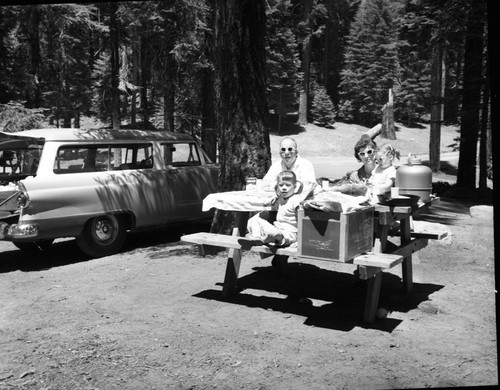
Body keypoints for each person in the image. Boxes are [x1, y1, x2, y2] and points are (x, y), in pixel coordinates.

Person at [241, 171, 302, 248]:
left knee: (274, 233)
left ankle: (262, 237)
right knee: (255, 220)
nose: (284, 188)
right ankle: (257, 237)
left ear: (295, 186)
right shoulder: (281, 198)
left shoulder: (295, 199)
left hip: (289, 234)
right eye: (281, 185)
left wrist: (299, 241)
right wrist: (274, 199)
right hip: (278, 228)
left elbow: (301, 221)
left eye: (288, 185)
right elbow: (270, 201)